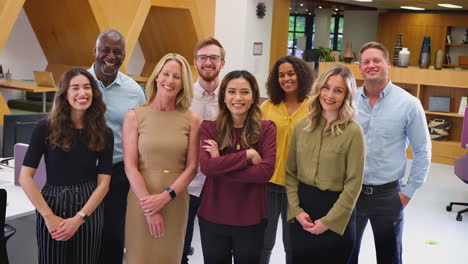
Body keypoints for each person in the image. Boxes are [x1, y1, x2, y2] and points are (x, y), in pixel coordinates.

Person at [19, 68, 113, 264]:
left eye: (87, 87)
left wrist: (79, 218)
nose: (82, 93)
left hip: (88, 207)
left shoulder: (104, 132)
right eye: (75, 88)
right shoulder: (45, 126)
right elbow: (25, 177)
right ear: (65, 93)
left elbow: (103, 184)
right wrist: (48, 215)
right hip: (52, 204)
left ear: (93, 93)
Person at [350, 42, 431, 264]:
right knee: (345, 254)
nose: (371, 65)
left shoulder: (409, 104)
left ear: (388, 64)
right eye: (366, 61)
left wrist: (409, 191)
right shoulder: (349, 101)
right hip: (350, 192)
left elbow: (422, 151)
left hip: (387, 195)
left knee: (389, 257)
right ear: (360, 68)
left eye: (377, 60)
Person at [122, 53, 200, 263]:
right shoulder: (134, 116)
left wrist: (165, 197)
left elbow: (192, 167)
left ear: (183, 83)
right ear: (156, 77)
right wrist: (149, 207)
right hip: (141, 199)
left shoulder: (192, 120)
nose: (170, 81)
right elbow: (130, 167)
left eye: (177, 76)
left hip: (174, 202)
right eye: (166, 74)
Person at [285, 64, 365, 263]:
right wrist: (296, 210)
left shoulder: (354, 132)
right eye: (326, 87)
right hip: (303, 212)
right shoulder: (301, 126)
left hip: (337, 213)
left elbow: (354, 184)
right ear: (318, 88)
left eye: (338, 90)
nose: (330, 95)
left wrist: (329, 222)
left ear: (347, 95)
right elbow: (290, 173)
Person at [198, 70, 277, 264]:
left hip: (251, 217)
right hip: (213, 216)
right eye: (232, 92)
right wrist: (247, 155)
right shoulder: (209, 128)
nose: (238, 98)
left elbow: (265, 172)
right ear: (223, 96)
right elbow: (207, 168)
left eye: (245, 92)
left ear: (253, 97)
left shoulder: (267, 128)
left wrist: (220, 164)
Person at [88, 29, 146, 264]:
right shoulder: (77, 82)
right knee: (83, 236)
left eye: (117, 52)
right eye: (105, 50)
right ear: (95, 51)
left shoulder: (134, 91)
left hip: (117, 174)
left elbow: (143, 133)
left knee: (112, 238)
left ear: (124, 56)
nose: (110, 56)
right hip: (82, 172)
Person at [259, 56, 313, 264]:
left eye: (291, 73)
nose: (286, 79)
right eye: (281, 75)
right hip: (268, 185)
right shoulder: (267, 107)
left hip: (298, 188)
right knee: (263, 242)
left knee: (294, 244)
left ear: (301, 75)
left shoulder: (313, 108)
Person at [181, 37, 225, 264]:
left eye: (214, 58)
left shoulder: (231, 98)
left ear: (223, 63)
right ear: (194, 62)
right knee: (181, 245)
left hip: (221, 185)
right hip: (187, 184)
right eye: (203, 58)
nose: (208, 62)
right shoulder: (183, 97)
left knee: (217, 250)